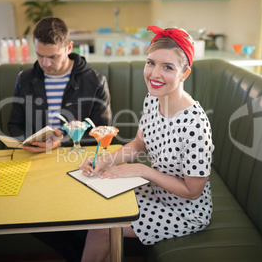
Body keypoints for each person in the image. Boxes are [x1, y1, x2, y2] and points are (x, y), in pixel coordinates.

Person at [79, 26, 214, 262]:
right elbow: (139, 144)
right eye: (151, 62)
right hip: (156, 192)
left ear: (185, 73)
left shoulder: (196, 126)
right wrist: (104, 160)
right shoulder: (154, 97)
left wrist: (143, 170)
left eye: (168, 67)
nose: (154, 74)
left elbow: (193, 192)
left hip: (184, 211)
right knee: (95, 202)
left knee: (103, 226)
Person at [8, 17, 111, 153]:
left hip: (77, 156)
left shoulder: (96, 81)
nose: (45, 63)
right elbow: (14, 125)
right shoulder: (24, 79)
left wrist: (62, 141)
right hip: (34, 156)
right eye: (40, 55)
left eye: (53, 57)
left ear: (69, 48)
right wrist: (32, 142)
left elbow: (103, 131)